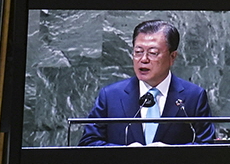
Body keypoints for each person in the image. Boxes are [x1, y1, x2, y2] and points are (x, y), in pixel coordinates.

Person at [79, 20, 215, 146]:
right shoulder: (111, 96)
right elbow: (88, 142)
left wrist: (172, 153)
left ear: (172, 57)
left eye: (153, 53)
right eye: (138, 52)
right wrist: (123, 153)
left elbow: (207, 145)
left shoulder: (194, 97)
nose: (143, 59)